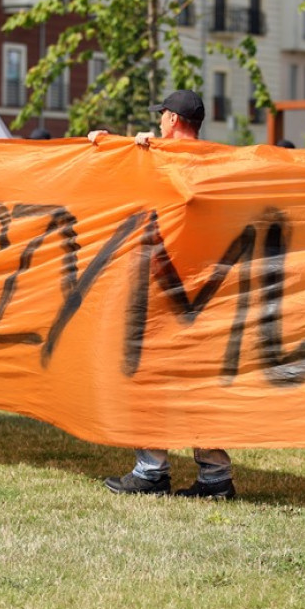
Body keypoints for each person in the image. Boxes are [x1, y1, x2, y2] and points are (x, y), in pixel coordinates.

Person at [88, 90, 235, 500]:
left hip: (162, 293)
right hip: (206, 294)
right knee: (197, 384)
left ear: (171, 119)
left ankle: (152, 470)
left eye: (162, 119)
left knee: (146, 377)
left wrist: (117, 145)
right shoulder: (219, 162)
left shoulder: (164, 160)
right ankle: (215, 476)